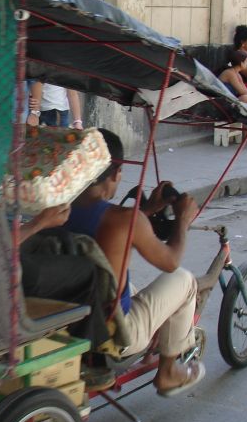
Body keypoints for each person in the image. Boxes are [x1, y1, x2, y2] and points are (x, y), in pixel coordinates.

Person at [62, 129, 204, 396]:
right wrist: (182, 221)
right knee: (183, 279)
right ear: (116, 173)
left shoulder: (57, 205)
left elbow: (117, 222)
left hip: (66, 318)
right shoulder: (125, 220)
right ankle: (168, 373)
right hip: (111, 332)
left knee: (133, 286)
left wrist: (147, 212)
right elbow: (171, 261)